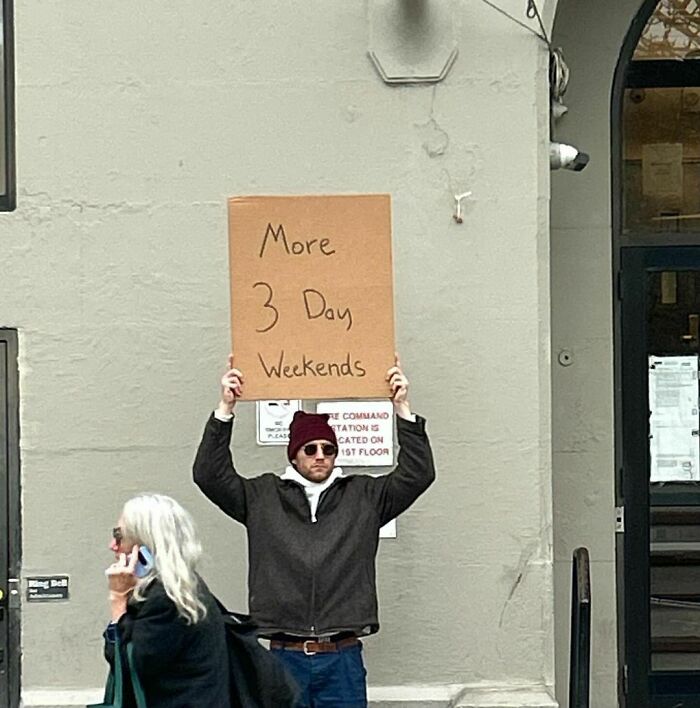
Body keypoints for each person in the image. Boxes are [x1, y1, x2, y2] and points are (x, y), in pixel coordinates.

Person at [193, 354, 436, 707]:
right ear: (294, 455)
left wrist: (402, 409)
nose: (320, 455)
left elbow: (418, 475)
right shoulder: (262, 497)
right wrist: (225, 409)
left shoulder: (364, 497)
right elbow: (209, 475)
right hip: (282, 657)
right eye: (310, 449)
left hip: (342, 658)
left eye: (328, 449)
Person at [95, 494, 230, 708]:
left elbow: (130, 666)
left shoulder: (166, 598)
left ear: (146, 542)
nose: (113, 545)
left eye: (119, 535)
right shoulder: (181, 589)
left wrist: (118, 600)